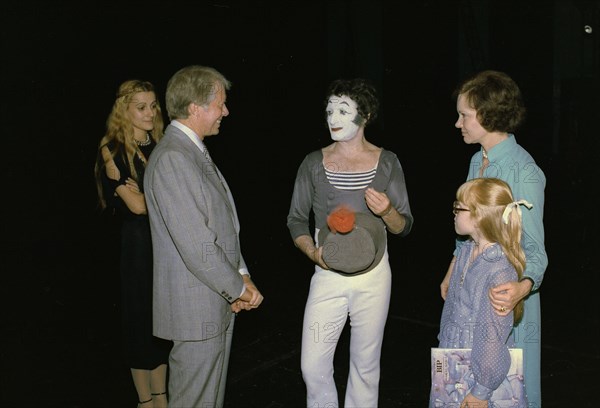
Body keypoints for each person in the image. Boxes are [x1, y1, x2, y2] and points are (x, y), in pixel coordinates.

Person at [287, 78, 413, 407]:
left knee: (365, 366)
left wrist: (387, 211)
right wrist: (313, 253)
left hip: (374, 278)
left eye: (344, 110)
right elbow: (296, 219)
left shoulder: (387, 162)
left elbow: (404, 226)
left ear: (366, 115)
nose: (333, 117)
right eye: (329, 110)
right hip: (327, 274)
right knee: (312, 366)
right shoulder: (313, 162)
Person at [143, 65, 264, 408]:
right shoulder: (173, 159)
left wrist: (240, 275)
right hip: (195, 312)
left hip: (211, 304)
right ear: (196, 107)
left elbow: (222, 224)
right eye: (220, 104)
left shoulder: (191, 151)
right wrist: (239, 288)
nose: (226, 111)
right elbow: (198, 246)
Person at [441, 69, 548, 406]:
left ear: (487, 115)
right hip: (471, 285)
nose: (458, 123)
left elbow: (535, 249)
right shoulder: (477, 161)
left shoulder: (525, 171)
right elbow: (472, 227)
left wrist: (522, 288)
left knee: (509, 389)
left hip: (505, 295)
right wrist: (452, 268)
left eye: (464, 116)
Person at [94, 79, 172, 408]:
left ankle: (162, 399)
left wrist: (146, 196)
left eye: (153, 105)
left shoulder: (164, 145)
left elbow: (155, 201)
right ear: (124, 109)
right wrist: (153, 199)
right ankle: (146, 401)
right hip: (137, 248)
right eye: (141, 107)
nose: (150, 112)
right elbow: (137, 207)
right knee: (140, 321)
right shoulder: (112, 149)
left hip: (164, 244)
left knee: (162, 322)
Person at [432, 177, 531, 408]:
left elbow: (492, 334)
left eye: (459, 208)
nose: (454, 213)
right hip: (454, 358)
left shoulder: (498, 269)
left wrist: (482, 390)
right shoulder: (466, 252)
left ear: (479, 216)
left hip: (481, 371)